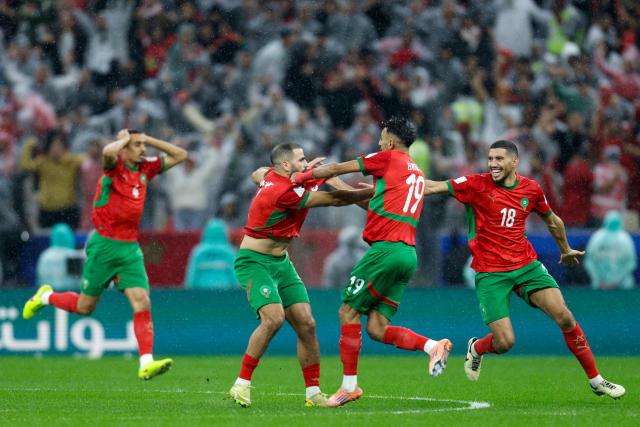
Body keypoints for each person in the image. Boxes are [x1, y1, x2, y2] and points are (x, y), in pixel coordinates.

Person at [422, 140, 625, 399]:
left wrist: (565, 250)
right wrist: (399, 185)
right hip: (490, 272)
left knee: (564, 316)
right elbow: (434, 186)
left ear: (514, 162)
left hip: (525, 265)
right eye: (490, 158)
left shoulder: (531, 189)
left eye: (499, 159)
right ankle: (478, 348)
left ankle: (596, 380)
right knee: (505, 342)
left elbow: (552, 220)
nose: (493, 164)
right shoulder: (475, 184)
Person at [293, 116, 453, 408]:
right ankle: (433, 346)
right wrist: (336, 183)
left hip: (385, 251)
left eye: (381, 138)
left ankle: (349, 386)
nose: (378, 143)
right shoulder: (413, 171)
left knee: (347, 312)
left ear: (391, 141)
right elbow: (373, 203)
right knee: (377, 328)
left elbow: (341, 165)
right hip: (406, 255)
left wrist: (303, 177)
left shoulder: (388, 158)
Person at [23, 129, 188, 381]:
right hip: (104, 245)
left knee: (142, 301)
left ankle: (146, 362)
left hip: (130, 248)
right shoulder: (115, 166)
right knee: (84, 306)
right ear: (125, 148)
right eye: (138, 145)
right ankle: (46, 297)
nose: (143, 149)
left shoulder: (145, 168)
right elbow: (108, 152)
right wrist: (123, 140)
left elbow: (180, 154)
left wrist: (148, 139)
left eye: (145, 145)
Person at [229, 143, 374, 408]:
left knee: (307, 324)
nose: (307, 163)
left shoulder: (277, 177)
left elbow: (258, 172)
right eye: (302, 159)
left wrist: (312, 175)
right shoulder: (284, 192)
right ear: (286, 165)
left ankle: (313, 393)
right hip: (254, 261)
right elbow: (335, 199)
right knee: (273, 319)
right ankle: (242, 384)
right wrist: (377, 192)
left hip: (281, 262)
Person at [584, 210, 637, 290]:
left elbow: (631, 263)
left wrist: (616, 281)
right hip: (600, 285)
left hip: (623, 286)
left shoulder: (625, 239)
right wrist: (598, 279)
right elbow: (589, 261)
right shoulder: (597, 238)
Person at [184, 218, 237, 289]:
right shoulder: (230, 252)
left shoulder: (197, 252)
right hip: (225, 295)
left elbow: (191, 277)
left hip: (201, 295)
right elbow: (235, 279)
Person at [36, 223, 84, 291]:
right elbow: (79, 282)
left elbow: (40, 279)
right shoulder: (74, 255)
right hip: (69, 294)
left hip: (49, 295)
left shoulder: (45, 255)